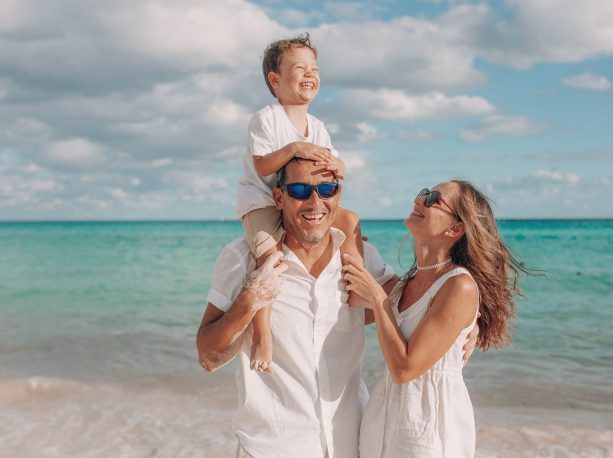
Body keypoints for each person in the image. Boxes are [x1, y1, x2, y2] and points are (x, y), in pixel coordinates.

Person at [198, 158, 395, 457]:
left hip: (349, 442)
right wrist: (251, 298)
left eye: (326, 189)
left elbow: (410, 302)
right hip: (273, 447)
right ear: (279, 197)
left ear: (338, 195)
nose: (315, 202)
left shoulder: (361, 257)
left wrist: (467, 321)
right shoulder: (241, 259)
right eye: (300, 190)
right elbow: (208, 357)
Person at [343, 181, 527, 457]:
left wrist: (378, 298)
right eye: (423, 193)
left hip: (427, 431)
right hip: (381, 424)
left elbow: (405, 369)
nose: (419, 201)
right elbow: (346, 304)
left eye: (433, 199)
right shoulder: (403, 287)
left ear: (455, 228)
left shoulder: (459, 286)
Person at [235, 33, 364, 372]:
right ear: (275, 80)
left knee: (350, 220)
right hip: (263, 202)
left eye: (314, 69)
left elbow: (335, 162)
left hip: (303, 202)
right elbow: (263, 166)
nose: (309, 74)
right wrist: (294, 148)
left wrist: (338, 164)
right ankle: (262, 332)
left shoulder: (317, 126)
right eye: (299, 68)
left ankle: (355, 287)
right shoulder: (266, 119)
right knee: (269, 260)